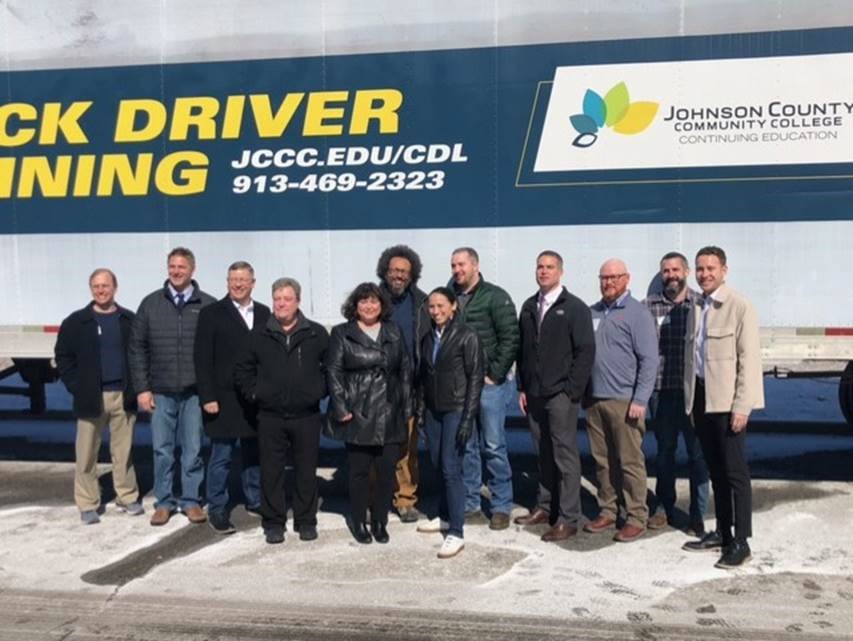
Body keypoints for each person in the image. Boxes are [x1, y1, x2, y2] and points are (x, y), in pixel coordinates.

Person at [682, 246, 764, 569]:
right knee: (715, 470)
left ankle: (742, 541)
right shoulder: (696, 306)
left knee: (735, 473)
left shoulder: (739, 306)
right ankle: (723, 531)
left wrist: (742, 407)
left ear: (724, 271)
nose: (704, 274)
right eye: (700, 269)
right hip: (702, 399)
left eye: (711, 268)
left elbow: (749, 361)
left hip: (728, 403)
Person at [233, 277, 329, 544]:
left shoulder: (316, 334)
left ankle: (306, 520)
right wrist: (255, 393)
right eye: (277, 299)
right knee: (271, 471)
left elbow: (330, 367)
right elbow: (243, 369)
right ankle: (274, 522)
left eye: (287, 299)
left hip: (306, 415)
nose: (281, 304)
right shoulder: (259, 335)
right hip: (270, 416)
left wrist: (318, 391)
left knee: (306, 470)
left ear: (298, 301)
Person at [129, 247, 215, 526]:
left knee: (192, 450)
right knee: (163, 450)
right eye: (172, 267)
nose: (176, 272)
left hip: (193, 392)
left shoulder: (207, 305)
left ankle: (191, 501)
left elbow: (215, 352)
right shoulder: (151, 304)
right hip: (162, 391)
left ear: (193, 269)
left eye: (182, 267)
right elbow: (137, 349)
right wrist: (142, 388)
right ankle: (164, 502)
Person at [515, 251, 595, 541]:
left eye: (550, 267)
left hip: (561, 394)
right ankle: (546, 506)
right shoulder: (528, 306)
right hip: (534, 394)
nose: (544, 271)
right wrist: (522, 387)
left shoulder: (575, 308)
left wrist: (572, 390)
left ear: (560, 271)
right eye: (540, 267)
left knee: (565, 456)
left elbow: (585, 351)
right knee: (543, 453)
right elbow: (523, 351)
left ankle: (568, 517)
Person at [55, 268, 142, 524]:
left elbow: (138, 355)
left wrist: (135, 387)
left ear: (115, 287)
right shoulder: (77, 321)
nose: (101, 290)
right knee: (86, 453)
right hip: (91, 397)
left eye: (105, 285)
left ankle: (126, 496)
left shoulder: (128, 320)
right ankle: (87, 503)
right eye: (96, 286)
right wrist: (76, 386)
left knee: (123, 452)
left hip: (122, 396)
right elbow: (63, 357)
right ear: (91, 289)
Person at [326, 283, 411, 544]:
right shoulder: (343, 333)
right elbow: (333, 371)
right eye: (363, 302)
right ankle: (359, 520)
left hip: (390, 410)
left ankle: (379, 521)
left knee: (387, 472)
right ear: (355, 305)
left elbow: (405, 370)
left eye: (374, 301)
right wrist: (341, 408)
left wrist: (406, 407)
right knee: (359, 472)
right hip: (358, 411)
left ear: (382, 305)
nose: (369, 306)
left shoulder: (394, 331)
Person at [584, 259, 659, 542]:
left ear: (627, 279)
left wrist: (640, 398)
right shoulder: (593, 312)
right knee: (602, 461)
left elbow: (649, 361)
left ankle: (637, 515)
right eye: (604, 278)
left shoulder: (638, 314)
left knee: (629, 462)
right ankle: (607, 509)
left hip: (626, 401)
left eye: (615, 277)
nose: (608, 282)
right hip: (595, 400)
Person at [194, 261, 271, 535]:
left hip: (253, 397)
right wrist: (207, 396)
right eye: (233, 280)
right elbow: (202, 359)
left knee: (253, 453)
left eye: (243, 280)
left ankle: (255, 499)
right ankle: (217, 507)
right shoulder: (211, 313)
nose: (238, 284)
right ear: (227, 283)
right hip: (222, 398)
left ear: (253, 282)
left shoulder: (263, 312)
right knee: (221, 456)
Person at [449, 247, 519, 530]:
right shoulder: (448, 296)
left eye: (461, 264)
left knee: (493, 445)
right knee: (466, 445)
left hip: (490, 386)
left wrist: (494, 374)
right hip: (461, 386)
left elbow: (511, 338)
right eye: (453, 265)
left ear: (475, 266)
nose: (457, 270)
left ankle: (502, 505)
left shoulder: (495, 296)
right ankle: (471, 503)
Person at [643, 252, 710, 535]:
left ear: (686, 272)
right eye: (665, 271)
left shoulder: (701, 304)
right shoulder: (648, 307)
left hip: (693, 393)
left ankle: (697, 515)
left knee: (698, 456)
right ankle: (663, 506)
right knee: (664, 452)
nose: (671, 275)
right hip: (662, 392)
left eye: (675, 270)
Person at [415, 287, 484, 558]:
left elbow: (475, 378)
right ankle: (443, 516)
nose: (436, 311)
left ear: (453, 306)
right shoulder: (428, 338)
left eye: (441, 306)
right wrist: (422, 411)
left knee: (451, 467)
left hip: (456, 408)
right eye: (431, 307)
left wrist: (468, 417)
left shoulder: (467, 336)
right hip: (434, 410)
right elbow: (423, 377)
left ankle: (456, 531)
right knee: (436, 463)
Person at [376, 245, 430, 523]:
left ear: (412, 275)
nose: (398, 275)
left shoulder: (422, 302)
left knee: (406, 448)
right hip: (376, 387)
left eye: (404, 272)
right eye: (394, 270)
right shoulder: (371, 299)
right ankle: (376, 498)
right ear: (385, 271)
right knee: (375, 445)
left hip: (409, 386)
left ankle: (406, 500)